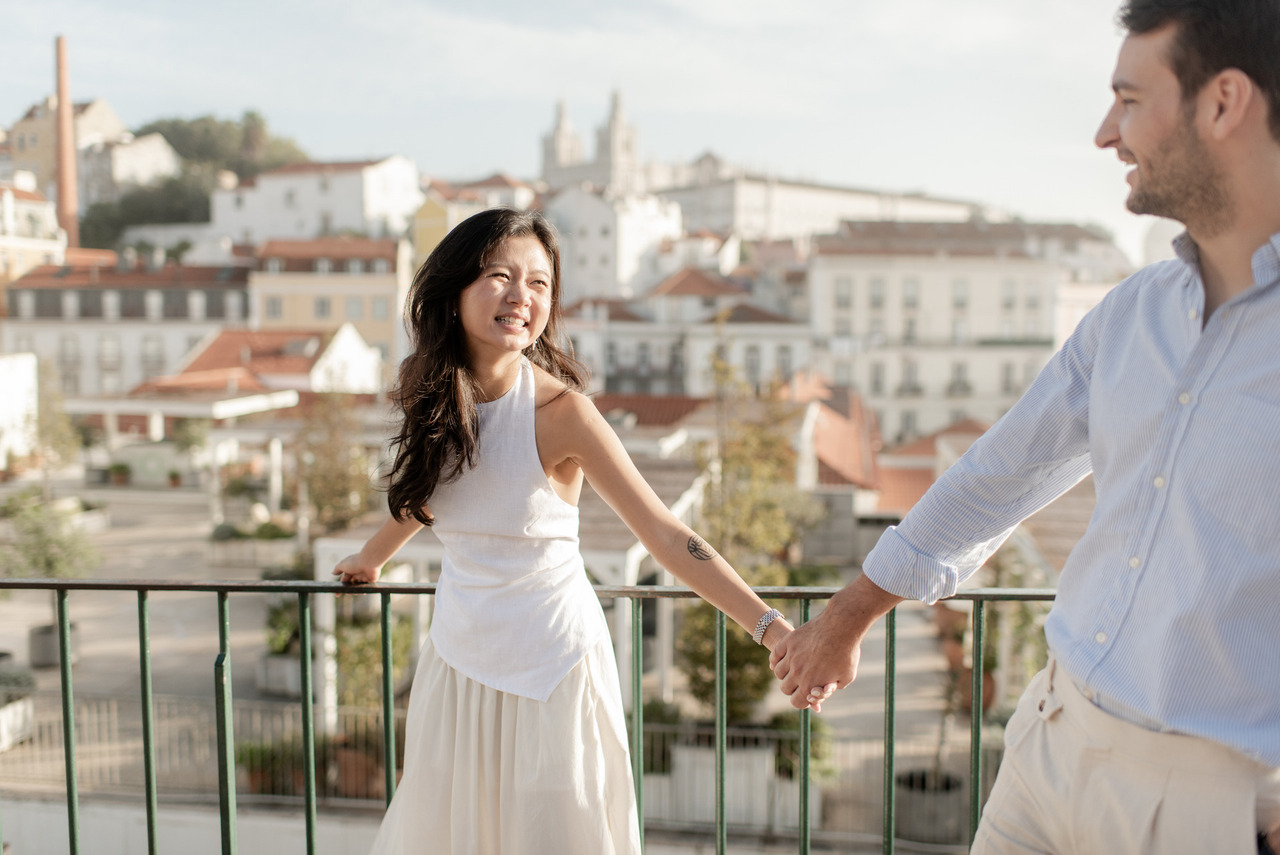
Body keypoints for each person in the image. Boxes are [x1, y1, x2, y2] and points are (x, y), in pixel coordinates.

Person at [770, 1, 1280, 851]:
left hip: (1210, 804)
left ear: (1222, 103)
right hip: (1047, 745)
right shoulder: (1129, 316)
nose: (1104, 134)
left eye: (1128, 99)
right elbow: (994, 477)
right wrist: (845, 619)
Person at [334, 207, 812, 854]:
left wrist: (768, 626)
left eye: (538, 283)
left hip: (551, 670)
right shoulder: (433, 394)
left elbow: (665, 534)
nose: (520, 296)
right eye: (500, 275)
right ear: (454, 292)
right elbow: (423, 493)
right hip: (457, 667)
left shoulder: (564, 414)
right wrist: (371, 557)